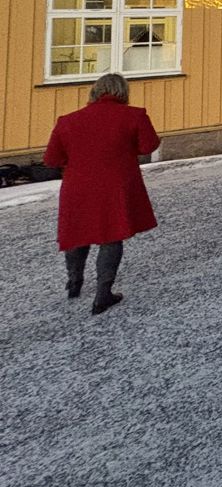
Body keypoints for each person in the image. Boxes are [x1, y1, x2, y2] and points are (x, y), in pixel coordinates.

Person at [43, 74, 158, 314]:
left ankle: (74, 282)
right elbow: (148, 146)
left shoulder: (67, 121)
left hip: (77, 187)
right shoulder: (134, 115)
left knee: (78, 233)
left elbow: (52, 159)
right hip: (115, 185)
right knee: (111, 235)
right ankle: (103, 293)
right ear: (123, 92)